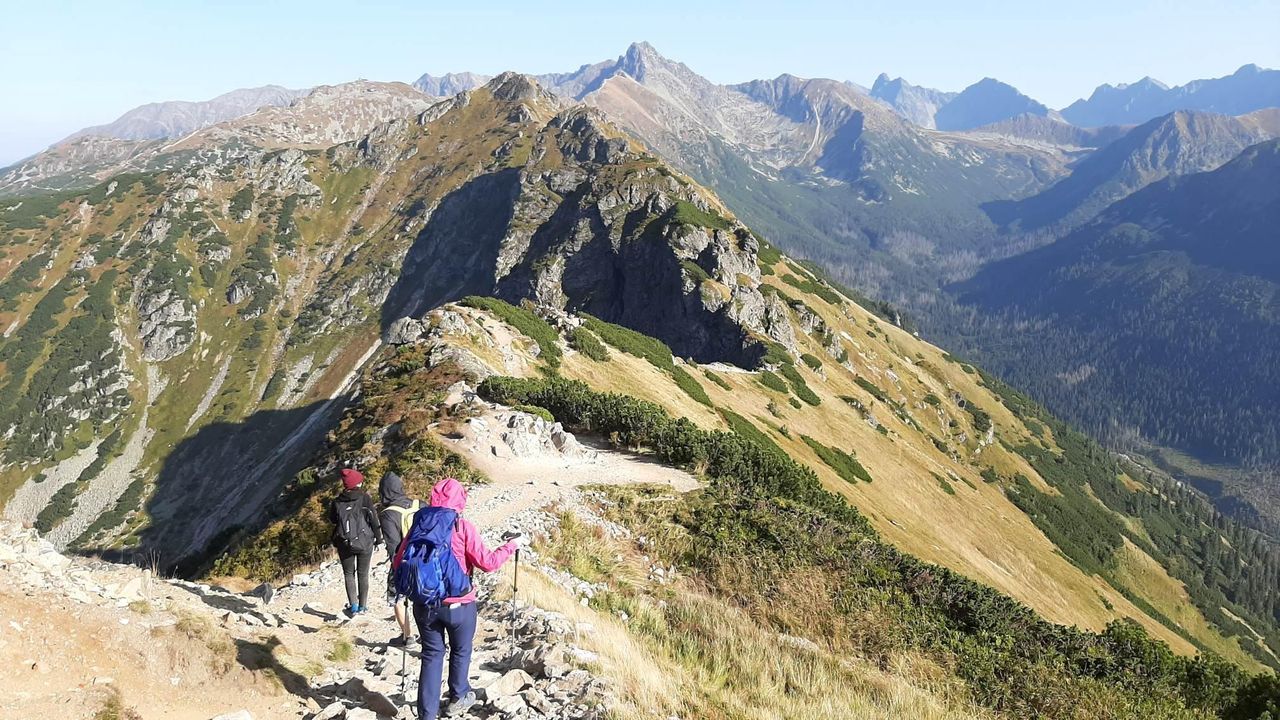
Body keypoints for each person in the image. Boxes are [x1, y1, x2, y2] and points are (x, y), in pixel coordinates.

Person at [396, 476, 529, 719]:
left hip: (424, 603)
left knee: (431, 654)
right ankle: (458, 695)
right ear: (460, 500)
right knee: (460, 650)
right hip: (460, 603)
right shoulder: (461, 527)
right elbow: (488, 563)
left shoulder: (418, 525)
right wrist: (512, 546)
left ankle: (427, 714)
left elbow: (398, 562)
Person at [328, 468, 382, 616]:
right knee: (363, 573)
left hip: (344, 543)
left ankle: (353, 606)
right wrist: (378, 539)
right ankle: (363, 606)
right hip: (365, 541)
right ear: (358, 483)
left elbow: (333, 519)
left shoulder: (337, 501)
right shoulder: (365, 498)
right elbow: (373, 519)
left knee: (348, 573)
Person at [377, 471, 420, 646]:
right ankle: (428, 634)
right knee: (423, 597)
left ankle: (407, 635)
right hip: (426, 560)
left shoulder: (388, 514)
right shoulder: (420, 504)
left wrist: (396, 566)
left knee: (398, 599)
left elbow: (393, 545)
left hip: (402, 561)